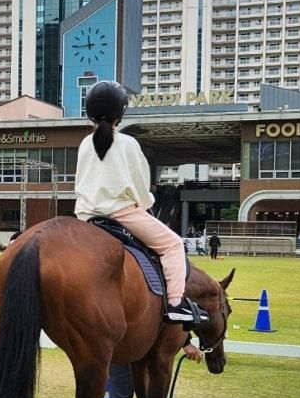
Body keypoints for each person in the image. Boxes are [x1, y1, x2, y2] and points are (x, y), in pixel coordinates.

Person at [75, 80, 208, 328]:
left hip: (86, 216)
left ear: (89, 111)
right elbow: (140, 185)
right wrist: (145, 204)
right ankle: (175, 305)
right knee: (173, 244)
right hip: (121, 214)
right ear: (121, 112)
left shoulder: (84, 143)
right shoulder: (128, 143)